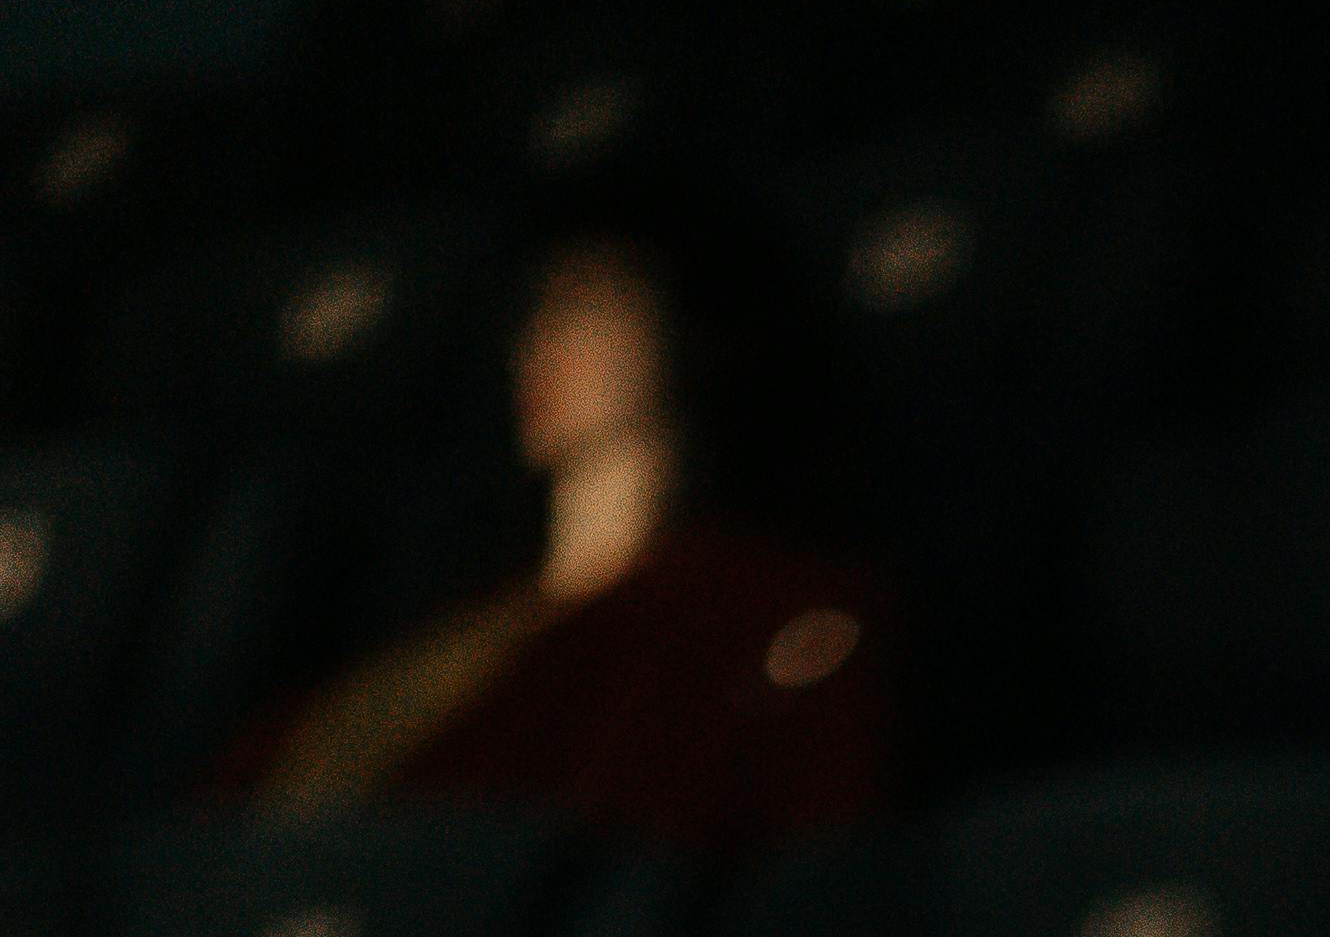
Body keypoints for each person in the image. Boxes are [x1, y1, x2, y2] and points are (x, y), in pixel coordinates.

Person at [216, 211, 889, 850]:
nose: (542, 342)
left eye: (589, 305)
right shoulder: (464, 630)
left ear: (684, 328)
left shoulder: (754, 605)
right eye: (536, 314)